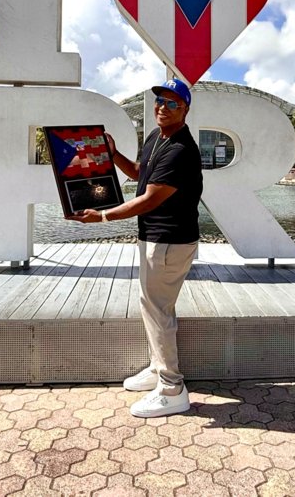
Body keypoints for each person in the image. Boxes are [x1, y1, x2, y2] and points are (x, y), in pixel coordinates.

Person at [68, 77, 202, 418]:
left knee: (158, 311)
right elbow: (142, 173)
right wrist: (113, 155)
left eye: (172, 103)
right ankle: (158, 369)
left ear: (185, 110)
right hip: (155, 238)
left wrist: (101, 217)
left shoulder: (181, 150)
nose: (163, 107)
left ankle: (172, 389)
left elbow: (149, 199)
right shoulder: (158, 137)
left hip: (169, 241)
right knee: (154, 307)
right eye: (160, 100)